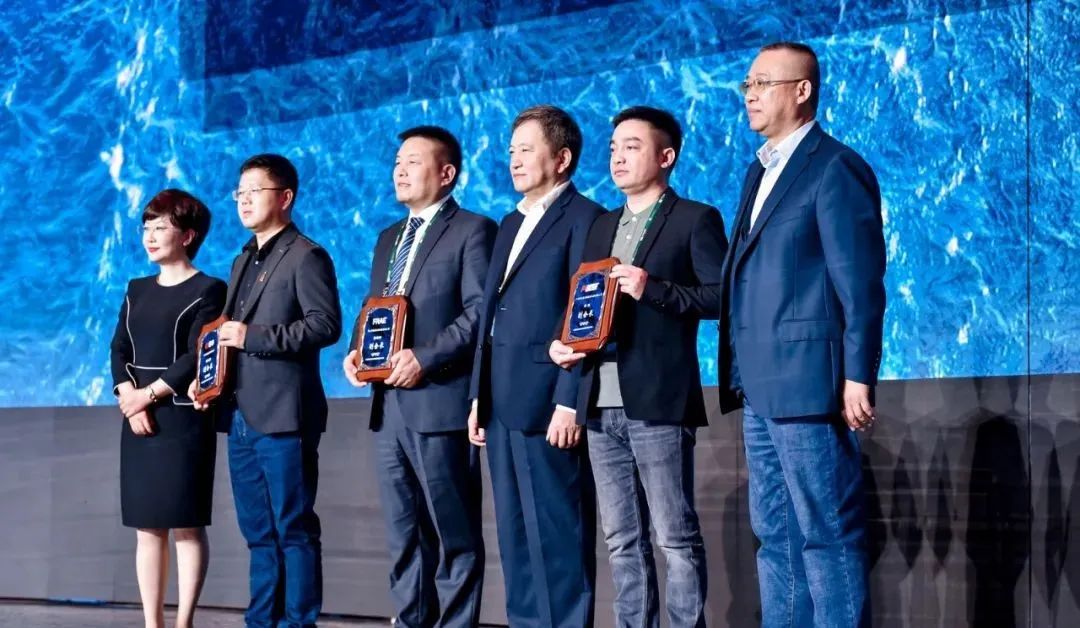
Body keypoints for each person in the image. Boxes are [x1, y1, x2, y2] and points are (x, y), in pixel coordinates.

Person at [719, 42, 886, 627]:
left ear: (802, 90)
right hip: (758, 385)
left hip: (809, 383)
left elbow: (860, 283)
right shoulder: (758, 170)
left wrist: (858, 374)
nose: (751, 95)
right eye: (747, 85)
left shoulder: (834, 167)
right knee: (775, 535)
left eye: (763, 83)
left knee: (827, 535)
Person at [549, 106, 727, 627]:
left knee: (674, 537)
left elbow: (721, 296)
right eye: (613, 148)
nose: (618, 157)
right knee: (621, 539)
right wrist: (563, 342)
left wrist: (654, 289)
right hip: (598, 402)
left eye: (631, 146)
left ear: (665, 157)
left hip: (658, 400)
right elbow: (581, 299)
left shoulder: (695, 218)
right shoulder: (602, 224)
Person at [342, 126, 495, 627]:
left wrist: (424, 358)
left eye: (412, 161)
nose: (400, 171)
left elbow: (479, 313)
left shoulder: (473, 229)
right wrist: (356, 350)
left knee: (453, 534)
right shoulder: (388, 238)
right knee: (403, 534)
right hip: (387, 407)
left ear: (446, 173)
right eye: (397, 162)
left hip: (438, 401)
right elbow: (376, 308)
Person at [191, 153, 342, 628]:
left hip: (283, 415)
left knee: (293, 528)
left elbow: (325, 325)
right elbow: (226, 333)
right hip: (239, 413)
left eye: (255, 191)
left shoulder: (306, 255)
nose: (244, 200)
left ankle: (298, 622)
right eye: (239, 192)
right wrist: (208, 377)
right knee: (258, 532)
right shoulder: (242, 258)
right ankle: (260, 621)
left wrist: (252, 336)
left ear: (285, 197)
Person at [466, 105, 603, 627]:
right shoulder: (509, 223)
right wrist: (477, 395)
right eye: (511, 151)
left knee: (558, 540)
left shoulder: (586, 218)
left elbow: (584, 315)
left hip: (548, 404)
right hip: (500, 402)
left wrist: (570, 400)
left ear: (562, 158)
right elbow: (490, 314)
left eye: (527, 149)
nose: (515, 160)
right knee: (516, 539)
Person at [110, 188, 226, 628]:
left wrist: (148, 395)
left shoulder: (209, 289)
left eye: (161, 228)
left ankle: (184, 622)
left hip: (181, 417)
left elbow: (197, 354)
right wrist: (129, 397)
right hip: (136, 415)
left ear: (188, 235)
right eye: (147, 228)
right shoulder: (136, 289)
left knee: (186, 524)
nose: (150, 236)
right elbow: (118, 349)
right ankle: (152, 623)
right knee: (147, 526)